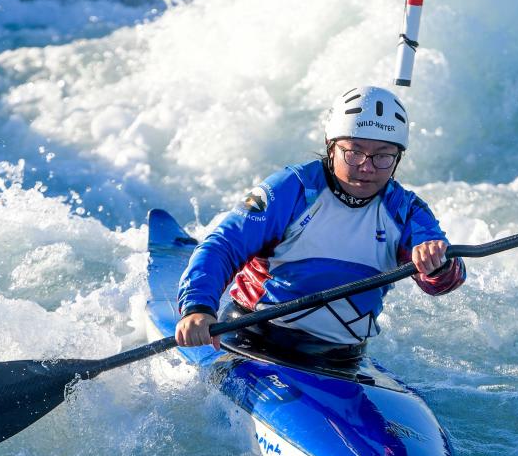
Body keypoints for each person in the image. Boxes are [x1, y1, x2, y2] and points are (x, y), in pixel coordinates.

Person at [175, 86, 465, 360]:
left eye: (383, 156)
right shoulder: (291, 189)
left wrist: (438, 264)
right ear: (332, 147)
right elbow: (224, 246)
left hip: (341, 361)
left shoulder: (406, 211)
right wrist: (198, 307)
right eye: (354, 152)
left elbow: (443, 282)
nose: (367, 166)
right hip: (252, 342)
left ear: (398, 158)